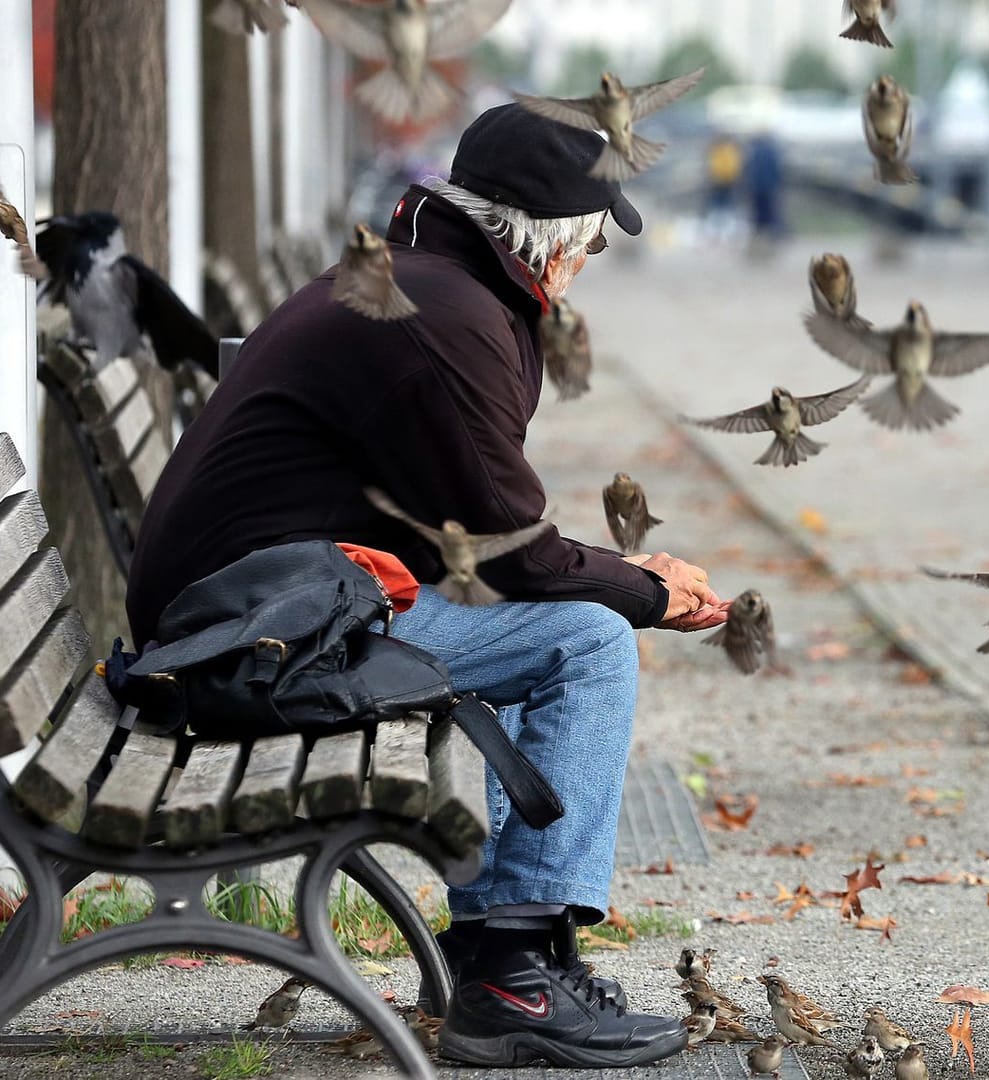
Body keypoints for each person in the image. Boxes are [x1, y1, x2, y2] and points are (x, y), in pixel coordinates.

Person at [126, 104, 727, 1069]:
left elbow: (474, 530)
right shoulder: (441, 318)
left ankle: (508, 957)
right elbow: (514, 553)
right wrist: (645, 589)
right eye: (584, 248)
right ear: (538, 241)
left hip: (257, 608)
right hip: (248, 636)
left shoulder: (420, 283)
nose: (581, 272)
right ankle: (514, 977)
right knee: (588, 640)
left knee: (556, 623)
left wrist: (618, 573)